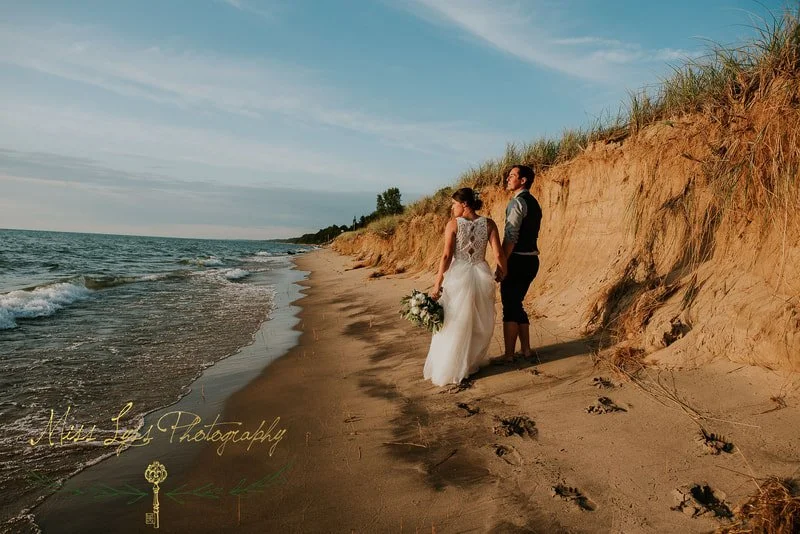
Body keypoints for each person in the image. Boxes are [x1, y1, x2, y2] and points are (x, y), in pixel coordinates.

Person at [423, 187, 507, 386]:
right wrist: (501, 271)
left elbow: (446, 256)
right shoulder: (489, 224)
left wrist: (437, 285)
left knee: (455, 320)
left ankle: (454, 366)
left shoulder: (453, 225)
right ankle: (468, 363)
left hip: (459, 274)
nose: (452, 208)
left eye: (454, 204)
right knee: (477, 319)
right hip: (480, 273)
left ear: (465, 204)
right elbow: (498, 253)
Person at [496, 165, 542, 361]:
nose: (508, 179)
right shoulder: (534, 202)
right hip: (532, 260)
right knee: (517, 303)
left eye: (512, 176)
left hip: (518, 260)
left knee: (509, 305)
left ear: (523, 180)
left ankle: (508, 355)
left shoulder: (517, 203)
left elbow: (511, 236)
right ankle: (526, 350)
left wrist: (502, 264)